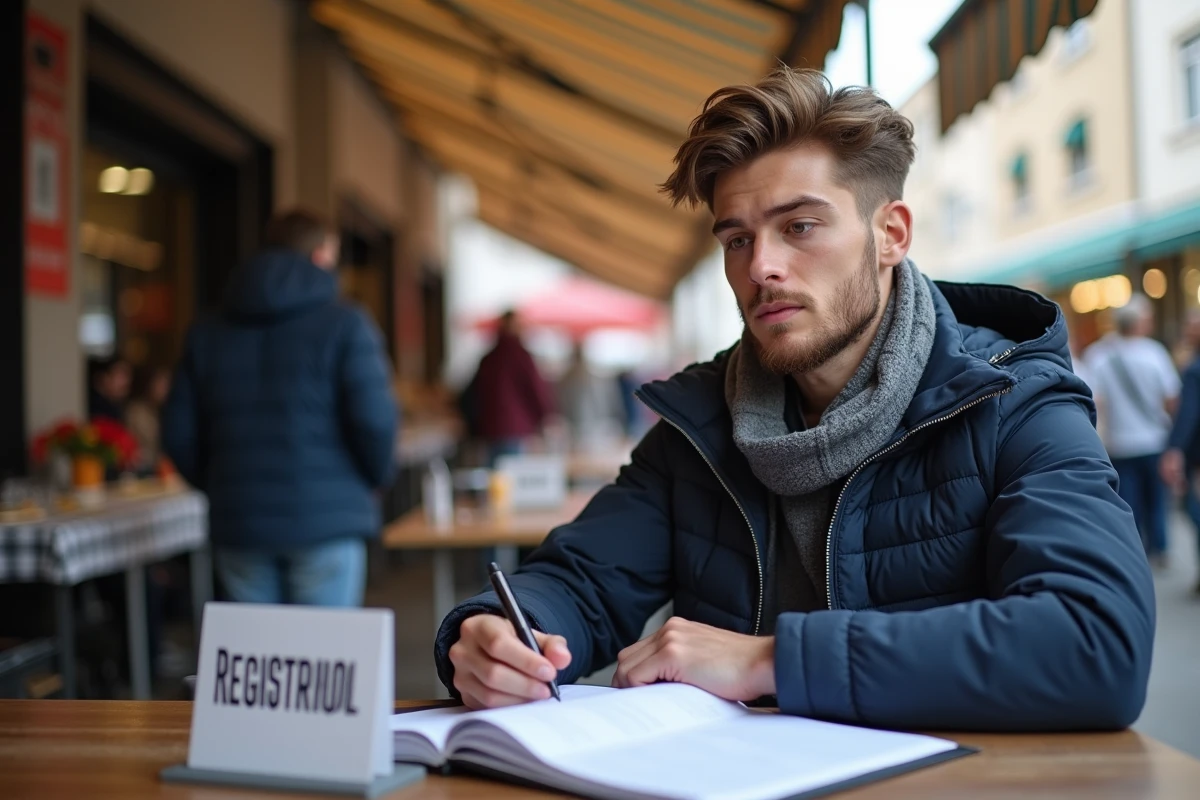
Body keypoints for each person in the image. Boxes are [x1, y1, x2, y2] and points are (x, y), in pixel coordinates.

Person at [434, 68, 1154, 731]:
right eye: (738, 239)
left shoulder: (1010, 398)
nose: (763, 267)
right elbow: (580, 581)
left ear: (890, 235)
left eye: (799, 227)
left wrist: (767, 661)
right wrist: (494, 636)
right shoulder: (698, 425)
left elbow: (1098, 642)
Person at [162, 209, 398, 607]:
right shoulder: (346, 323)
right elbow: (375, 422)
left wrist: (222, 482)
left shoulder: (207, 330)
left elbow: (178, 432)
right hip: (327, 519)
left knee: (258, 660)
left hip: (240, 521)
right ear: (322, 253)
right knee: (324, 661)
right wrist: (373, 479)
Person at [1085, 295, 1179, 566]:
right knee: (1157, 499)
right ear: (1140, 323)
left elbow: (1096, 401)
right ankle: (1160, 548)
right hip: (1154, 439)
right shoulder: (1155, 353)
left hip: (1119, 443)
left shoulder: (1099, 356)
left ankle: (1136, 550)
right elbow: (1171, 398)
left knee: (1129, 500)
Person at [465, 310, 555, 466]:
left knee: (496, 478)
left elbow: (474, 393)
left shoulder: (489, 357)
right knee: (513, 478)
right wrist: (545, 416)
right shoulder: (521, 356)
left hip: (490, 430)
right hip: (516, 428)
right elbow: (536, 390)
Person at [1161, 309, 1200, 590]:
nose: (1186, 330)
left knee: (1192, 506)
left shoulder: (1194, 369)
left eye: (1191, 325)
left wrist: (1174, 449)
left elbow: (1188, 413)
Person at [125, 366, 172, 476]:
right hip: (143, 472)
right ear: (149, 384)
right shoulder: (136, 412)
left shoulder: (164, 410)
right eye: (161, 384)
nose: (166, 389)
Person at [87, 356, 131, 423]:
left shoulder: (120, 408)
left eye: (128, 375)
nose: (126, 381)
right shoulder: (93, 407)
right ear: (104, 378)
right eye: (120, 375)